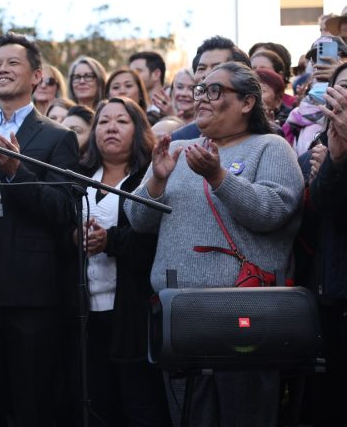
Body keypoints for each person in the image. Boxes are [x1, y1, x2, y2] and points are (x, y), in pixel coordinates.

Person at [124, 62, 304, 426]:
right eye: (201, 89)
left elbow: (271, 211)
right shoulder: (178, 147)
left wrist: (218, 176)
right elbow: (138, 221)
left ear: (248, 102)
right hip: (179, 316)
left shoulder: (271, 147)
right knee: (187, 416)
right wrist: (156, 182)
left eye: (215, 90)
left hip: (244, 315)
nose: (203, 97)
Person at [0, 32, 79, 426]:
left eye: (12, 63)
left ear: (37, 77)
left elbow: (65, 209)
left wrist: (16, 170)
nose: (1, 69)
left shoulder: (58, 138)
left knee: (32, 401)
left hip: (31, 293)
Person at [77, 97, 169, 427]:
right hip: (86, 312)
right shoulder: (79, 175)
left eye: (121, 121)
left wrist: (110, 240)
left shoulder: (149, 179)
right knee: (97, 403)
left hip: (132, 311)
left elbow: (152, 238)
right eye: (103, 122)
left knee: (138, 402)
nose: (111, 128)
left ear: (138, 129)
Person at [303, 61, 347, 425]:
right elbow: (323, 208)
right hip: (335, 292)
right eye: (341, 87)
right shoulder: (322, 146)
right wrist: (334, 161)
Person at [171, 36, 250, 141]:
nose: (207, 74)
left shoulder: (268, 142)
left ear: (247, 103)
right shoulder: (180, 139)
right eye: (201, 68)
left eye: (217, 67)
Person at [129, 51, 171, 117]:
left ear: (156, 74)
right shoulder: (133, 106)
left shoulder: (175, 100)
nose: (132, 76)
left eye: (138, 71)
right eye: (131, 72)